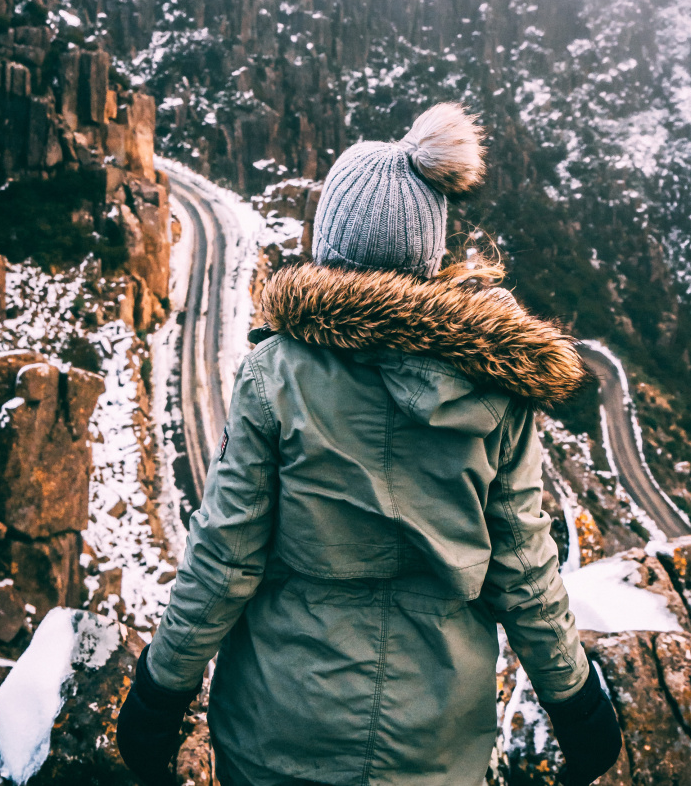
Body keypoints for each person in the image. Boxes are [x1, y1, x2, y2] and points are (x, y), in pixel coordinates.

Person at [117, 103, 622, 786]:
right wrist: (577, 704)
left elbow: (224, 554)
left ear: (331, 244)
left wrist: (160, 690)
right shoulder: (498, 390)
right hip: (434, 743)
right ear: (427, 253)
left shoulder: (276, 374)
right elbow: (525, 571)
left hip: (278, 728)